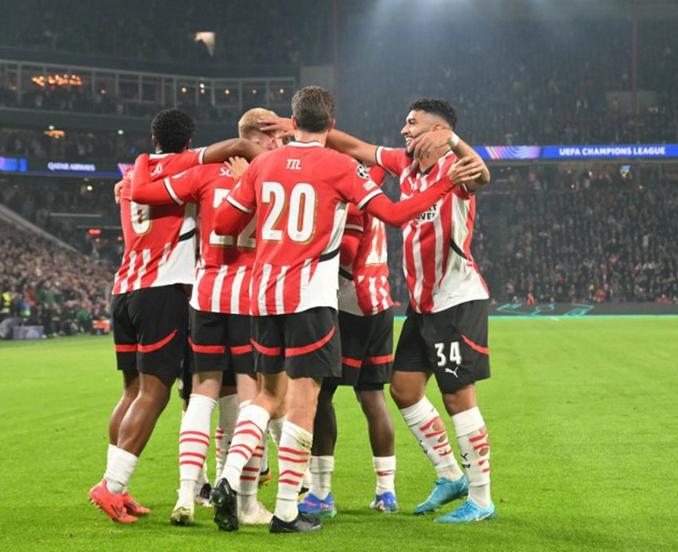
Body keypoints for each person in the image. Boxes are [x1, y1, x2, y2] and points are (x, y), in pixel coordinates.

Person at [210, 86, 484, 533]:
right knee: (305, 402)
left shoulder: (262, 165)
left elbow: (224, 224)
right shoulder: (342, 167)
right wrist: (444, 185)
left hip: (262, 298)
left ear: (293, 123)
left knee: (266, 397)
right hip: (312, 300)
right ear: (331, 125)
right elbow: (394, 215)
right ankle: (286, 511)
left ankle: (226, 480)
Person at [279, 98, 496, 523]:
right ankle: (450, 475)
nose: (404, 130)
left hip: (456, 300)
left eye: (412, 123)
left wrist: (451, 140)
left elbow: (484, 174)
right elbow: (355, 147)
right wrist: (303, 128)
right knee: (404, 389)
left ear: (436, 130)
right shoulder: (404, 164)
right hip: (422, 304)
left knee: (457, 397)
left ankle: (482, 498)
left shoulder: (457, 165)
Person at [88, 108, 266, 523]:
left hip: (125, 288)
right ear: (189, 143)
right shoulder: (188, 168)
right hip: (164, 291)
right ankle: (114, 485)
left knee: (131, 392)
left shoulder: (137, 175)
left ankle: (118, 483)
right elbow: (234, 154)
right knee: (162, 392)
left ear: (154, 140)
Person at [298, 165, 399, 518]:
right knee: (372, 395)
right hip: (380, 303)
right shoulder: (373, 198)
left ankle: (321, 492)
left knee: (322, 394)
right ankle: (386, 492)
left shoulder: (354, 204)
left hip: (349, 306)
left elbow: (348, 253)